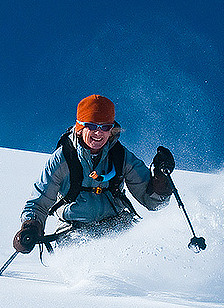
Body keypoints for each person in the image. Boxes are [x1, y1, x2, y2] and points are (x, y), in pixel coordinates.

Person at [13, 94, 176, 254]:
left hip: (118, 226)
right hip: (74, 231)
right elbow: (39, 202)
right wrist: (30, 227)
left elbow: (154, 204)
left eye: (105, 127)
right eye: (92, 125)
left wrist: (160, 181)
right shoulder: (63, 158)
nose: (99, 133)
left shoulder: (120, 156)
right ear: (80, 127)